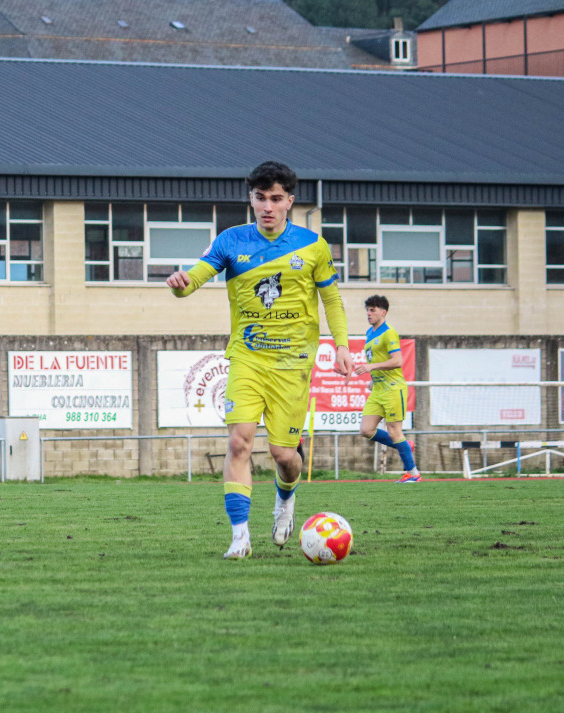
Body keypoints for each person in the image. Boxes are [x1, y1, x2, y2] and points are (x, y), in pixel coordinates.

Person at [167, 161, 350, 560]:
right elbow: (196, 278)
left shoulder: (313, 246)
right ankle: (239, 538)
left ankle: (286, 499)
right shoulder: (231, 240)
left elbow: (331, 299)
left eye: (276, 198)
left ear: (290, 201)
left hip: (293, 364)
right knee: (239, 443)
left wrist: (340, 345)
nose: (268, 206)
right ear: (251, 199)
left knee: (285, 456)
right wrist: (181, 285)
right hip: (247, 358)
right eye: (260, 198)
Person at [355, 295, 420, 483]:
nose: (368, 313)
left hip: (393, 388)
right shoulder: (370, 332)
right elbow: (377, 360)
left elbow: (398, 361)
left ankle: (413, 473)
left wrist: (371, 368)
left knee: (394, 430)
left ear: (383, 312)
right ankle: (405, 445)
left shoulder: (389, 332)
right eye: (367, 310)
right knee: (366, 430)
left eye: (372, 310)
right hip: (379, 389)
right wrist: (374, 379)